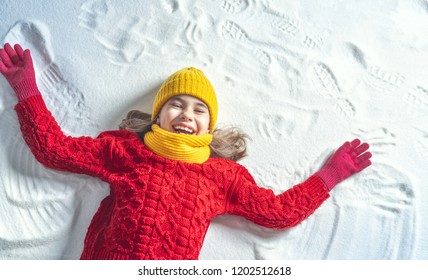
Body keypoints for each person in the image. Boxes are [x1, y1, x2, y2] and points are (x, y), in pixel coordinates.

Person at [0, 43, 372, 260]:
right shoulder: (127, 151)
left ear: (209, 127)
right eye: (175, 104)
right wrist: (26, 88)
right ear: (158, 114)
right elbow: (54, 150)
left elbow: (277, 214)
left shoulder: (222, 176)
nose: (186, 115)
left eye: (198, 110)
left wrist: (331, 174)